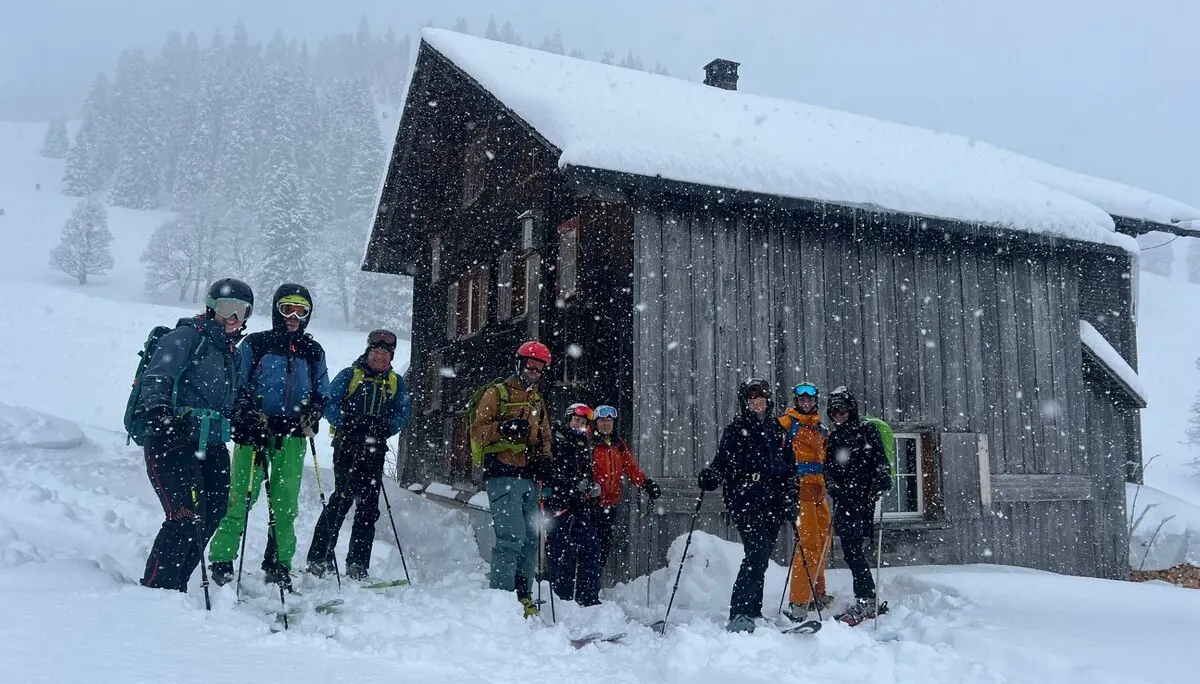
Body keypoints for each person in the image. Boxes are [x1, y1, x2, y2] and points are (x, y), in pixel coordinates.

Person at [208, 284, 330, 592]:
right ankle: (222, 559)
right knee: (240, 497)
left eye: (300, 310)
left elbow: (322, 389)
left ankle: (278, 562)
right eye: (286, 308)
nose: (292, 316)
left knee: (285, 503)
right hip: (255, 434)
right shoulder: (257, 344)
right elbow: (237, 383)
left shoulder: (312, 351)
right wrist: (246, 414)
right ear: (276, 310)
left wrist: (315, 409)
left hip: (291, 436)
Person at [139, 278, 253, 592]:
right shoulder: (187, 336)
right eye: (227, 308)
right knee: (185, 515)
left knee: (212, 514)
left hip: (213, 442)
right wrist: (160, 412)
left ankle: (176, 588)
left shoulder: (233, 352)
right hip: (172, 439)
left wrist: (243, 413)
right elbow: (157, 377)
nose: (233, 318)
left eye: (241, 311)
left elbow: (234, 395)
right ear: (212, 307)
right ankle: (155, 590)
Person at [306, 329, 411, 581]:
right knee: (340, 501)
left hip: (375, 450)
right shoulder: (350, 375)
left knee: (368, 508)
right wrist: (349, 422)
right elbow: (330, 404)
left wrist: (386, 426)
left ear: (391, 357)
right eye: (376, 352)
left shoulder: (395, 382)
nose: (380, 357)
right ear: (368, 351)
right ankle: (319, 558)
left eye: (385, 353)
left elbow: (403, 413)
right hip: (347, 446)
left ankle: (357, 563)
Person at [697, 378, 797, 633]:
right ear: (745, 403)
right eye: (752, 401)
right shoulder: (736, 429)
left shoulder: (778, 430)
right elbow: (722, 461)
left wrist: (790, 496)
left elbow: (789, 468)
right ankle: (740, 611)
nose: (757, 405)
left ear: (768, 402)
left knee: (761, 556)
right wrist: (711, 476)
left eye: (761, 400)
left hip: (773, 501)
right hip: (745, 499)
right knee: (756, 552)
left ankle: (753, 610)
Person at [470, 341, 554, 617]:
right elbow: (477, 430)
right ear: (519, 364)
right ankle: (502, 601)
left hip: (529, 477)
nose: (534, 371)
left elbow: (545, 436)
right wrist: (502, 428)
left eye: (539, 367)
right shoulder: (498, 393)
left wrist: (545, 459)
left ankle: (523, 595)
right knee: (511, 538)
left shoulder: (537, 400)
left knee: (531, 538)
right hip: (503, 474)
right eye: (530, 365)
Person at [823, 386, 892, 626]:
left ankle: (867, 599)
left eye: (841, 409)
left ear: (851, 408)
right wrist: (831, 486)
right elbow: (828, 468)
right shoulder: (834, 437)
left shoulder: (866, 430)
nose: (837, 414)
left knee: (853, 549)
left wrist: (882, 477)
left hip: (863, 498)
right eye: (833, 411)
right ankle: (866, 597)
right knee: (851, 551)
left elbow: (880, 461)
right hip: (844, 499)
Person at [778, 382, 833, 622]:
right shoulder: (787, 424)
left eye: (810, 399)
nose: (806, 403)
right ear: (796, 400)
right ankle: (799, 600)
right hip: (800, 491)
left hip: (819, 491)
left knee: (823, 541)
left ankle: (816, 591)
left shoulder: (821, 428)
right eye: (802, 399)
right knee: (808, 544)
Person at [544, 403, 603, 606]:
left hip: (579, 505)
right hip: (559, 505)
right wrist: (572, 485)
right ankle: (560, 598)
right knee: (559, 551)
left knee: (591, 548)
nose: (579, 424)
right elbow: (550, 472)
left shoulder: (581, 443)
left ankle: (588, 597)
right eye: (576, 420)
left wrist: (590, 486)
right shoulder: (555, 439)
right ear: (568, 419)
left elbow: (585, 471)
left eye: (584, 422)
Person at [589, 404, 660, 571]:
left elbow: (630, 467)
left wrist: (645, 483)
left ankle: (595, 585)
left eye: (609, 420)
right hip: (591, 505)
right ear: (595, 423)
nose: (605, 424)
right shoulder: (590, 444)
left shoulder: (617, 445)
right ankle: (582, 589)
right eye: (601, 421)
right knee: (589, 547)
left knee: (603, 547)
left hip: (610, 505)